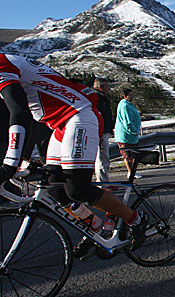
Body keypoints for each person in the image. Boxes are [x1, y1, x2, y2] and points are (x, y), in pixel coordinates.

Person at [0, 54, 147, 257]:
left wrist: (10, 163)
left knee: (77, 188)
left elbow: (20, 113)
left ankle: (136, 220)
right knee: (54, 189)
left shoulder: (2, 62)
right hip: (60, 124)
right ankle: (95, 228)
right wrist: (23, 158)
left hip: (79, 116)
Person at [115, 88, 142, 179]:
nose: (132, 96)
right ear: (125, 96)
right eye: (130, 95)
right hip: (126, 135)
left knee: (133, 155)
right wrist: (134, 131)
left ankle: (132, 171)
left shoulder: (128, 105)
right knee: (128, 155)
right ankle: (130, 172)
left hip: (130, 136)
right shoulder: (124, 106)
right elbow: (127, 121)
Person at [93, 78, 114, 183]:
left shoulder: (101, 98)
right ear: (100, 87)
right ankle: (102, 183)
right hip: (100, 133)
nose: (108, 89)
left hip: (103, 131)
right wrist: (99, 133)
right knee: (101, 158)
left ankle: (105, 181)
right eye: (106, 86)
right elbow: (97, 117)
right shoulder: (97, 99)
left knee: (103, 158)